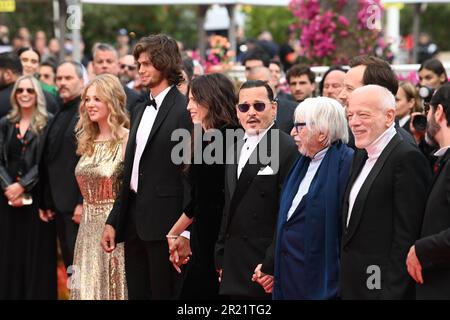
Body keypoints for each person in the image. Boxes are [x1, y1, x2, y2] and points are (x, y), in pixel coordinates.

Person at [101, 34, 192, 300]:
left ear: (164, 64)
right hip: (134, 224)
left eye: (146, 64)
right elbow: (130, 173)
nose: (140, 70)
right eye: (138, 64)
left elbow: (188, 176)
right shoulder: (140, 109)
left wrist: (185, 232)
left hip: (167, 228)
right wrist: (114, 221)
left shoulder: (184, 110)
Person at [341, 85, 431, 299]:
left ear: (389, 116)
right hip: (352, 285)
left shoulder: (406, 158)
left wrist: (391, 293)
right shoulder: (361, 154)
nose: (354, 122)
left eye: (363, 115)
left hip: (380, 287)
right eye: (350, 115)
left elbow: (406, 236)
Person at [214, 80, 298, 299]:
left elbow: (287, 214)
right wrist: (221, 253)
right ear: (237, 111)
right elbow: (229, 205)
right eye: (244, 107)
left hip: (263, 267)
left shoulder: (288, 148)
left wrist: (272, 264)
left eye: (259, 106)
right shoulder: (234, 147)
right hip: (232, 262)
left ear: (274, 107)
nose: (251, 112)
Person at [167, 73, 239, 299]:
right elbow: (199, 200)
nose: (188, 106)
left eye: (194, 100)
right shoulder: (211, 137)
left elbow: (208, 203)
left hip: (213, 244)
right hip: (208, 240)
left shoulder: (224, 138)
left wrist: (179, 235)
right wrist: (175, 233)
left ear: (213, 100)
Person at [273, 97, 353, 300]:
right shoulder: (301, 161)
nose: (292, 133)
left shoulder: (347, 164)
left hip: (322, 281)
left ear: (322, 132)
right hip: (289, 275)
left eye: (299, 127)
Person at [69, 74, 129, 300]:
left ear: (112, 102)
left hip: (114, 226)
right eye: (87, 99)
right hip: (86, 229)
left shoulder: (126, 140)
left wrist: (115, 223)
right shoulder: (86, 140)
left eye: (97, 99)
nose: (90, 104)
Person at [0, 75, 56, 299]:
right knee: (9, 252)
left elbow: (46, 162)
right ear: (14, 95)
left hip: (36, 200)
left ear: (37, 95)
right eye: (20, 90)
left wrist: (22, 185)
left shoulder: (47, 122)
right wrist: (8, 187)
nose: (24, 94)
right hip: (7, 200)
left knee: (34, 254)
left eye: (30, 91)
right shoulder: (5, 123)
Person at [38, 61, 85, 268]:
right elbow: (50, 158)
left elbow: (88, 160)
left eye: (68, 78)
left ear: (82, 81)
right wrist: (46, 200)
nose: (62, 83)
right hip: (58, 205)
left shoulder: (85, 114)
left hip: (76, 209)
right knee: (70, 268)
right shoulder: (60, 110)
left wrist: (82, 202)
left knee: (80, 269)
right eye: (59, 78)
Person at [406, 84, 450, 299]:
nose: (427, 116)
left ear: (439, 112)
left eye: (429, 110)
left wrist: (421, 249)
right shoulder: (443, 158)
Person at [338, 55, 416, 148]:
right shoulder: (356, 138)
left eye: (349, 88)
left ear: (376, 92)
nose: (341, 96)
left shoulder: (403, 151)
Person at [247, 66, 296, 134]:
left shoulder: (293, 109)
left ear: (273, 80)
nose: (262, 87)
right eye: (257, 84)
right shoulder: (244, 111)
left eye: (265, 82)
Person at [91, 43, 140, 112]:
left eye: (109, 61)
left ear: (118, 65)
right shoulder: (85, 97)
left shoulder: (133, 98)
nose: (104, 65)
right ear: (93, 66)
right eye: (100, 62)